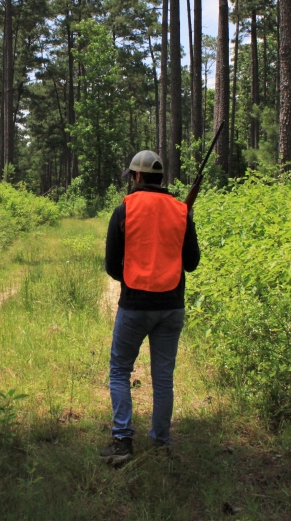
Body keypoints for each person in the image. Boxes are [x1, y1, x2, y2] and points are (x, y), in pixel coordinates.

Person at [99, 150, 200, 465]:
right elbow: (192, 263)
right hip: (172, 307)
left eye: (131, 176)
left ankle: (122, 442)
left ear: (137, 176)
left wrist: (133, 279)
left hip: (134, 305)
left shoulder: (123, 210)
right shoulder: (181, 211)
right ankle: (160, 444)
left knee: (119, 371)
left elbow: (112, 266)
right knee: (163, 377)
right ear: (159, 178)